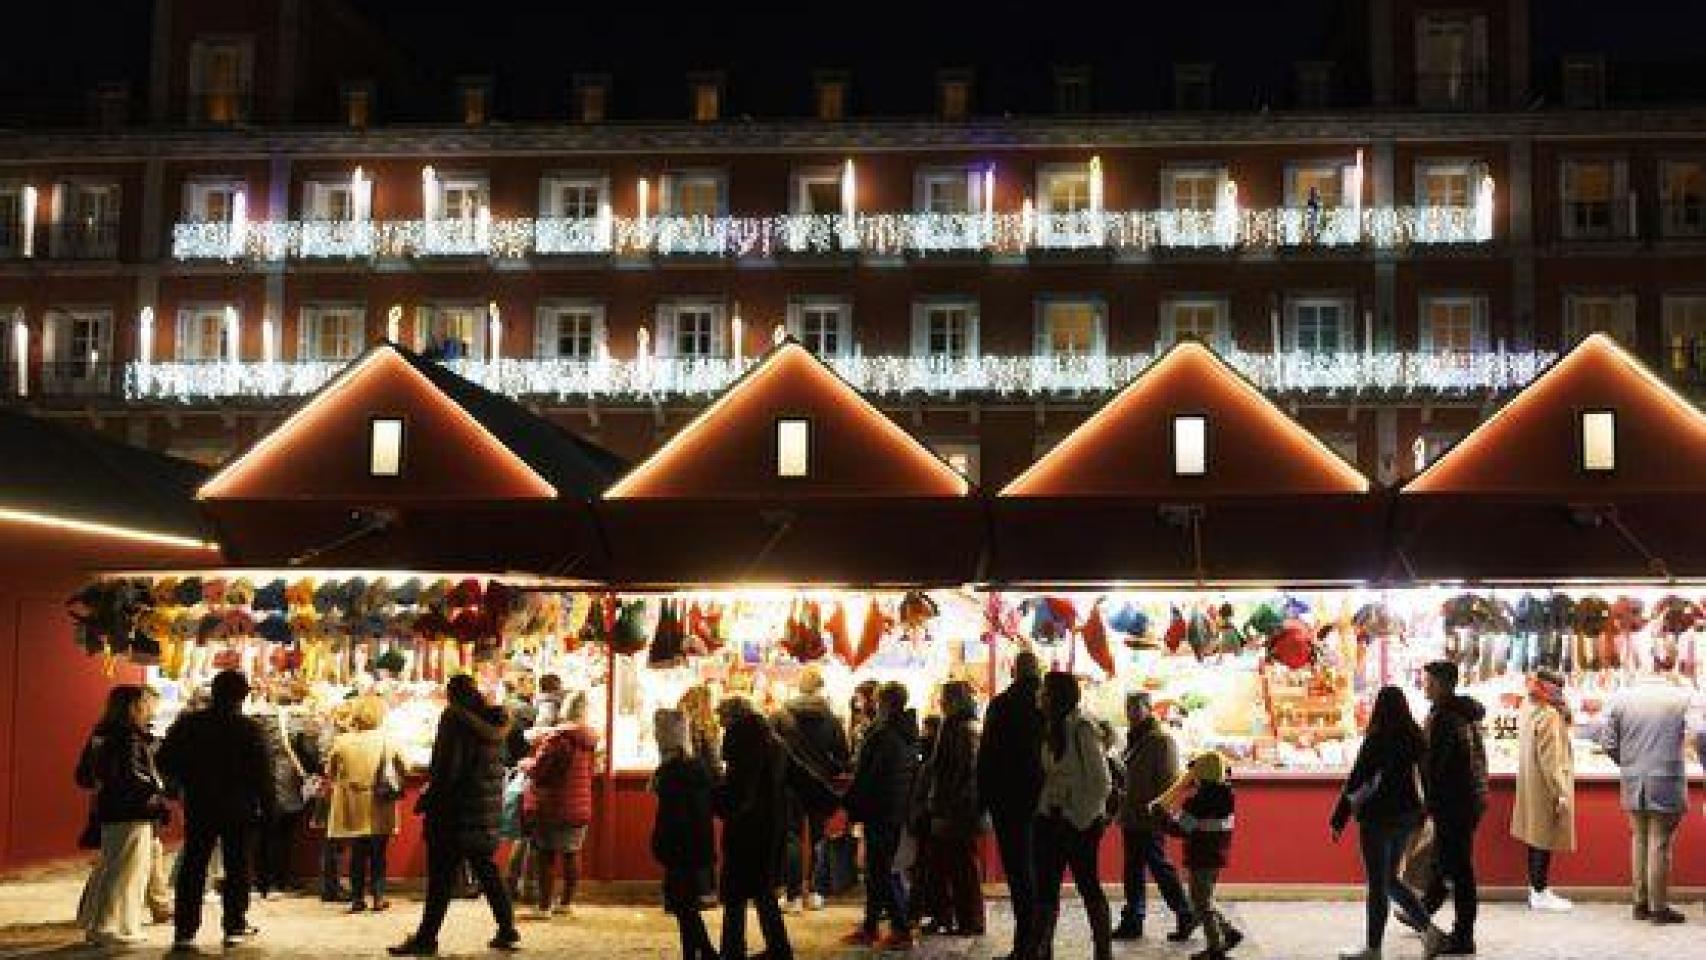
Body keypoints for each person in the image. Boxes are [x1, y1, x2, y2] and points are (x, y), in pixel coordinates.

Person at [389, 675, 519, 956]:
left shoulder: (454, 720)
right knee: (487, 872)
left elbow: (448, 770)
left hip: (454, 814)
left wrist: (431, 798)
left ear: (452, 695)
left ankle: (426, 939)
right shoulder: (495, 724)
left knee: (440, 879)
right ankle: (508, 929)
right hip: (483, 813)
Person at [157, 670, 273, 951]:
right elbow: (262, 773)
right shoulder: (249, 729)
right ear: (242, 696)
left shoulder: (189, 724)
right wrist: (269, 806)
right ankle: (234, 926)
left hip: (200, 803)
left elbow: (163, 759)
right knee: (237, 867)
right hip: (239, 805)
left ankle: (185, 932)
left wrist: (183, 782)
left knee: (193, 867)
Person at [1330, 686, 1433, 960]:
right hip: (1406, 816)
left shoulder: (1376, 739)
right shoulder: (1415, 737)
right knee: (1389, 879)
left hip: (1377, 817)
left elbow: (1357, 779)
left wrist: (1339, 818)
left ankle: (1373, 947)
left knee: (1378, 884)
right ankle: (1429, 931)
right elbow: (1427, 776)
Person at [1599, 658, 1699, 925]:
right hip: (1666, 779)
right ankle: (1658, 908)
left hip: (1632, 779)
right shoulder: (1682, 697)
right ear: (1666, 672)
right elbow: (1699, 730)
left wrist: (1629, 763)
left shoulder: (1621, 698)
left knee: (1639, 840)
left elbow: (1607, 741)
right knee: (1660, 843)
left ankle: (1640, 903)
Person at [75, 685, 170, 946]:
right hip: (131, 811)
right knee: (126, 871)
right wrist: (157, 789)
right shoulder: (127, 736)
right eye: (144, 703)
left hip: (111, 810)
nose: (149, 707)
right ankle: (110, 926)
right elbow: (132, 777)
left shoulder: (102, 733)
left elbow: (83, 776)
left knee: (113, 867)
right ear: (134, 706)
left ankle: (100, 922)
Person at [1034, 670, 1114, 960]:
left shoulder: (1082, 728)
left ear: (1056, 696)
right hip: (1050, 819)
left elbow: (1102, 782)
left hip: (1079, 823)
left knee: (1088, 886)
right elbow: (1053, 777)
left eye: (1044, 690)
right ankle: (1043, 950)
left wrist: (1077, 819)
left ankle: (1103, 951)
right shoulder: (1051, 727)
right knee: (1046, 888)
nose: (1039, 695)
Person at [713, 696, 793, 960]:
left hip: (748, 827)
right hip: (770, 824)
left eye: (723, 719)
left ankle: (732, 949)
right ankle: (778, 947)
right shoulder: (771, 739)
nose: (722, 725)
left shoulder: (741, 739)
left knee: (736, 892)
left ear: (732, 718)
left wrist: (718, 803)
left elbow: (741, 790)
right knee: (762, 889)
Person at [977, 650, 1045, 960]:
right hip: (1046, 802)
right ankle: (1041, 946)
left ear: (1014, 671)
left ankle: (1025, 946)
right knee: (1044, 876)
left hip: (1009, 802)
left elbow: (987, 757)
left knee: (1020, 876)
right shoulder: (1050, 705)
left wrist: (983, 800)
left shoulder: (1002, 705)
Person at [841, 682, 919, 950]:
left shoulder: (884, 734)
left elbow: (870, 777)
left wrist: (852, 802)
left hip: (880, 808)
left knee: (880, 871)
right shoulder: (905, 731)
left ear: (884, 702)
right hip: (893, 808)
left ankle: (900, 928)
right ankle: (871, 926)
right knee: (878, 870)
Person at [1418, 660, 1488, 957]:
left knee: (1458, 870)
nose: (1425, 686)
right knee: (1450, 863)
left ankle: (1462, 935)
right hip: (1468, 800)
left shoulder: (1445, 718)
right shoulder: (1462, 714)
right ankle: (1423, 913)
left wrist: (1428, 802)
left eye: (1430, 682)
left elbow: (1438, 766)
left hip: (1454, 803)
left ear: (1444, 685)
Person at [1113, 691, 1194, 942]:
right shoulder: (1133, 738)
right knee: (1133, 869)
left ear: (1149, 709)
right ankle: (1134, 919)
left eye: (1137, 707)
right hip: (1131, 814)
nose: (1132, 712)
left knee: (1159, 867)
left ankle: (1185, 912)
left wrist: (1160, 810)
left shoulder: (1161, 740)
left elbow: (1170, 782)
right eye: (1129, 707)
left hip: (1150, 815)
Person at [773, 666, 851, 913]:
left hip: (791, 785)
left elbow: (771, 748)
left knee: (792, 838)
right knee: (818, 837)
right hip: (820, 784)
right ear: (820, 687)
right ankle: (816, 892)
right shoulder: (832, 719)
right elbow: (843, 756)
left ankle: (794, 896)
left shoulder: (782, 715)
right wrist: (829, 767)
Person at [1153, 752, 1242, 960]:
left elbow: (1181, 829)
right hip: (1217, 854)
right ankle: (1226, 933)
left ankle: (1217, 945)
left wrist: (1161, 817)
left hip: (1200, 855)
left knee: (1201, 902)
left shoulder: (1197, 801)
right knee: (1203, 899)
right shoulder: (1227, 796)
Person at [522, 690, 600, 917]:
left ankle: (544, 906)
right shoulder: (591, 741)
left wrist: (526, 764)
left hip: (553, 805)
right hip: (580, 805)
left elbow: (540, 770)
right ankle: (565, 903)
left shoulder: (558, 740)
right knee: (571, 853)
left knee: (546, 855)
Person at [328, 694, 406, 913]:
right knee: (379, 854)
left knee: (357, 855)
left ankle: (357, 899)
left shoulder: (342, 741)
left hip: (352, 806)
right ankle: (379, 897)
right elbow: (405, 767)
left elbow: (331, 771)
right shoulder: (387, 740)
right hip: (380, 803)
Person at [651, 709, 717, 959]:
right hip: (696, 845)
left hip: (680, 848)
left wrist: (661, 845)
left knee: (682, 905)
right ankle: (696, 950)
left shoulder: (672, 774)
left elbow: (672, 817)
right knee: (685, 904)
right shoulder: (694, 768)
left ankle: (703, 950)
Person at [1512, 667, 1576, 912]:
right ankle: (1539, 893)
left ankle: (1537, 888)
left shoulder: (1529, 707)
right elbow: (1551, 759)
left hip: (1532, 782)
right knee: (1544, 839)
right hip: (1545, 786)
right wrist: (1560, 791)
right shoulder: (1548, 714)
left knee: (1535, 838)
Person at [924, 679, 985, 936]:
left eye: (945, 698)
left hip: (956, 810)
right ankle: (953, 917)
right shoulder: (964, 726)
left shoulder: (957, 728)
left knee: (958, 867)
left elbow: (958, 772)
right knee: (949, 865)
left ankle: (965, 919)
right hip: (959, 808)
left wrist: (943, 805)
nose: (942, 702)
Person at [253, 688, 308, 899]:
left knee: (264, 835)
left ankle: (262, 883)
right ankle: (279, 882)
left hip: (262, 783)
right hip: (288, 782)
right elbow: (307, 750)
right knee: (284, 836)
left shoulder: (257, 719)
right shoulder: (297, 721)